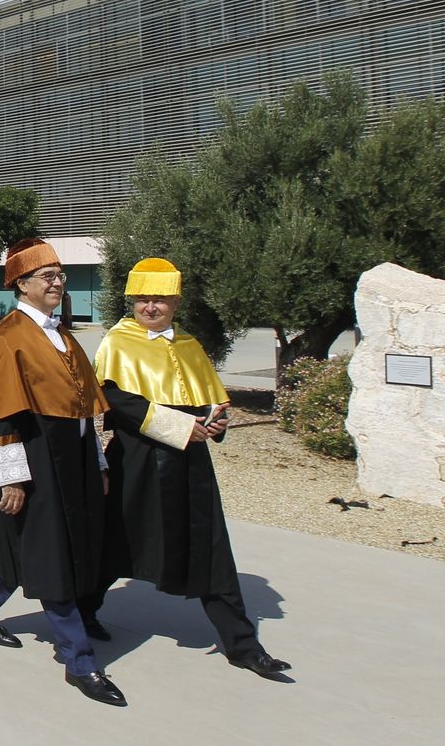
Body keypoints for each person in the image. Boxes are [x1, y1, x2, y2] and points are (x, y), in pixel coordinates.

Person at [81, 258, 292, 679]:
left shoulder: (190, 345)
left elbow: (209, 399)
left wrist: (215, 420)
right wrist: (180, 426)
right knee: (116, 544)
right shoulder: (118, 342)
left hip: (190, 465)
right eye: (143, 299)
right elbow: (116, 402)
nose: (150, 307)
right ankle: (83, 615)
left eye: (159, 299)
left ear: (176, 301)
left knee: (211, 548)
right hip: (138, 461)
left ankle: (243, 646)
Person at [0, 238, 123, 706]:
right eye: (46, 276)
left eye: (59, 274)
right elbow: (1, 413)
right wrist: (11, 476)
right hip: (33, 455)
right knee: (52, 554)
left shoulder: (64, 335)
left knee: (22, 541)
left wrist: (100, 462)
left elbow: (86, 408)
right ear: (21, 285)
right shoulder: (8, 336)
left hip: (73, 456)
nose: (57, 282)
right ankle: (79, 660)